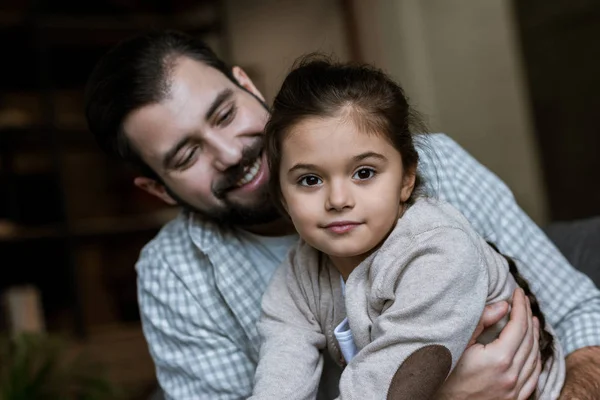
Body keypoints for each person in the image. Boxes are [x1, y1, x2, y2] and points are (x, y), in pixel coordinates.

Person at [83, 30, 600, 399]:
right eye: (186, 155)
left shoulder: (430, 206)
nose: (231, 152)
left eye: (224, 113)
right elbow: (286, 354)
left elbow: (582, 315)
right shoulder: (182, 274)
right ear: (158, 189)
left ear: (247, 84)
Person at [251, 56, 564, 399]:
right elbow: (281, 373)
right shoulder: (299, 274)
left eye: (364, 173)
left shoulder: (438, 252)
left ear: (406, 179)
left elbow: (383, 387)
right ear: (282, 196)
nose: (338, 199)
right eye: (310, 180)